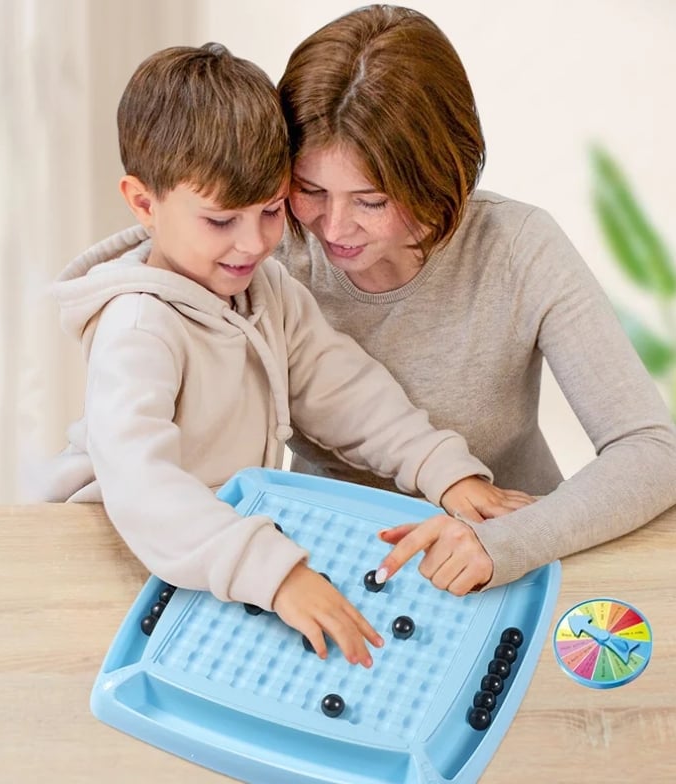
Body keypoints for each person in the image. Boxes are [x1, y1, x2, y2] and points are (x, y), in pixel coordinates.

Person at [45, 43, 532, 668]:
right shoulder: (137, 326)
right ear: (144, 203)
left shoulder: (263, 289)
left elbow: (344, 389)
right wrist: (274, 573)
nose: (253, 243)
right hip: (111, 543)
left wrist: (441, 468)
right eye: (221, 220)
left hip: (215, 546)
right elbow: (141, 486)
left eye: (271, 210)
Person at [274, 4, 676, 591]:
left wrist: (504, 542)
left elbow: (651, 449)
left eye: (372, 201)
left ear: (441, 173)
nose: (333, 228)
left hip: (513, 568)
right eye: (310, 190)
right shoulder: (268, 251)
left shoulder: (518, 247)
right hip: (322, 570)